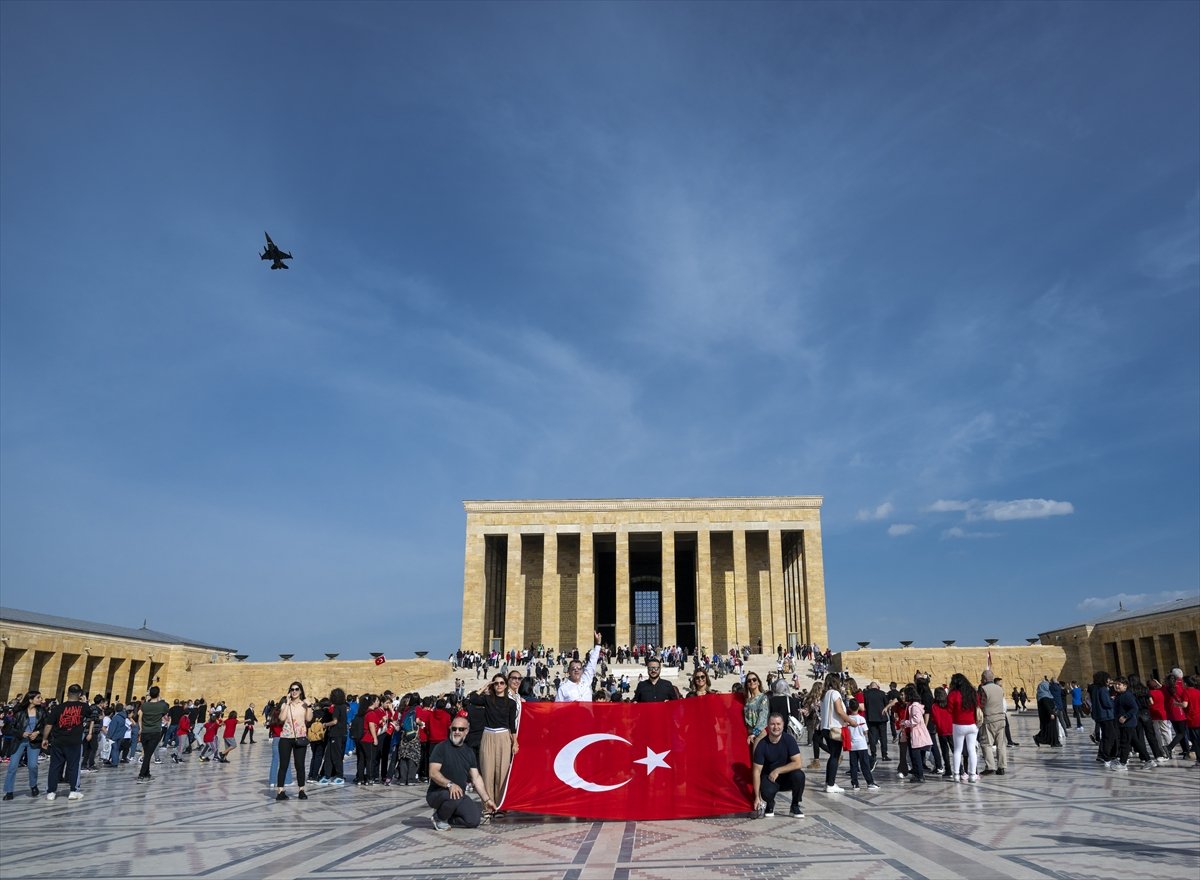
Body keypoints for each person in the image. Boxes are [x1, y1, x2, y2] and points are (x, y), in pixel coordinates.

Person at [427, 716, 497, 830]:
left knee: (474, 820)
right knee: (455, 795)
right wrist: (450, 784)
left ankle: (448, 816)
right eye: (454, 729)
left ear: (467, 731)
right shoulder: (441, 748)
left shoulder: (469, 752)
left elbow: (476, 778)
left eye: (461, 729)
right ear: (450, 729)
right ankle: (439, 817)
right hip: (438, 793)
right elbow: (433, 772)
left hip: (458, 794)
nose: (457, 732)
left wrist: (487, 800)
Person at [467, 674, 518, 816]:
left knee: (502, 772)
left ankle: (501, 806)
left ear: (506, 685)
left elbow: (512, 725)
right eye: (496, 683)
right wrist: (485, 686)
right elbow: (472, 698)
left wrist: (515, 742)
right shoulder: (488, 699)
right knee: (487, 771)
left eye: (502, 683)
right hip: (488, 735)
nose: (499, 685)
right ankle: (488, 806)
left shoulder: (511, 703)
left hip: (503, 736)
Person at [40, 683, 91, 801]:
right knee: (73, 766)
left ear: (67, 694)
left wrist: (45, 738)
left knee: (54, 766)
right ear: (79, 694)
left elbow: (49, 725)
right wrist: (85, 701)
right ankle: (73, 791)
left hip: (58, 741)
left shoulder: (58, 708)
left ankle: (51, 792)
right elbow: (93, 714)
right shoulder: (83, 707)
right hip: (74, 741)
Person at [752, 712, 806, 818]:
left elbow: (798, 763)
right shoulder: (762, 744)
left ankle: (795, 805)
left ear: (783, 724)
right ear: (768, 725)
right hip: (770, 779)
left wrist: (778, 770)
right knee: (766, 792)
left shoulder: (789, 740)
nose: (776, 727)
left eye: (778, 724)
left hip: (786, 777)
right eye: (772, 724)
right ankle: (770, 803)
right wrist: (757, 798)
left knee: (799, 775)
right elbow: (756, 771)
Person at [3, 691, 45, 800]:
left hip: (34, 741)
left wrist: (37, 733)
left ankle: (33, 785)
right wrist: (22, 733)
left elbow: (47, 726)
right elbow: (9, 728)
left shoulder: (42, 712)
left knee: (32, 765)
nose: (41, 699)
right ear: (31, 700)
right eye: (38, 697)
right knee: (12, 766)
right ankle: (9, 791)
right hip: (19, 741)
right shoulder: (20, 712)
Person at [275, 681, 313, 801]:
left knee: (300, 765)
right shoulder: (286, 704)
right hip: (286, 737)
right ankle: (280, 791)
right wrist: (286, 703)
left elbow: (309, 719)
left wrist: (309, 706)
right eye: (292, 689)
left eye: (297, 689)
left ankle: (301, 790)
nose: (294, 691)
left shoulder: (304, 704)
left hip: (300, 737)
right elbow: (281, 718)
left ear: (301, 691)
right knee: (283, 765)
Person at [819, 673, 850, 793]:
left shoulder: (824, 694)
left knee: (832, 755)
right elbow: (839, 710)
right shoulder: (835, 693)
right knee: (835, 756)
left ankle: (828, 782)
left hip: (826, 728)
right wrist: (850, 720)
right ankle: (831, 784)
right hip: (835, 729)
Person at [947, 673, 979, 782]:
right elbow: (978, 705)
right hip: (972, 724)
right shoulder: (972, 692)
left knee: (957, 750)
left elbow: (949, 710)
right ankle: (972, 774)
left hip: (959, 724)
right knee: (972, 750)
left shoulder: (953, 694)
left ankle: (956, 774)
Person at [555, 633, 603, 702]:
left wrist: (598, 644)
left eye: (579, 668)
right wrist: (570, 706)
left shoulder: (586, 680)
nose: (576, 670)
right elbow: (557, 708)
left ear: (582, 671)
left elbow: (592, 663)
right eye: (573, 669)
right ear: (569, 671)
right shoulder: (563, 688)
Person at [135, 686, 169, 783]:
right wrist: (160, 698)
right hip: (155, 732)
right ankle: (141, 775)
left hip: (145, 732)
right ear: (158, 694)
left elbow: (140, 716)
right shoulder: (161, 705)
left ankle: (147, 774)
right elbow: (165, 711)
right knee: (148, 755)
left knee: (147, 753)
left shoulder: (144, 705)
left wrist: (141, 728)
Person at [844, 699, 878, 791]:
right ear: (858, 707)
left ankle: (855, 784)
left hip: (852, 745)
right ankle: (870, 782)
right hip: (861, 745)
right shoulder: (861, 719)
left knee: (853, 766)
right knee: (865, 765)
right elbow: (865, 732)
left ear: (849, 708)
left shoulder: (847, 719)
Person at [979, 670, 1007, 776]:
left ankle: (990, 766)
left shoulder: (983, 689)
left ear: (985, 678)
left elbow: (981, 704)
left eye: (982, 678)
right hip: (1001, 719)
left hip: (989, 719)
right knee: (1001, 744)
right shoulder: (1000, 689)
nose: (981, 680)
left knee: (986, 743)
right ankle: (1002, 766)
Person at [902, 686, 932, 783]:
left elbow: (916, 720)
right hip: (914, 733)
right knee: (913, 754)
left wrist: (906, 722)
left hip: (917, 733)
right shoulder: (912, 705)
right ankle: (917, 773)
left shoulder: (914, 706)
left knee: (916, 755)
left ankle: (919, 775)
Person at [863, 681, 891, 762]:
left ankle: (873, 754)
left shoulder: (866, 694)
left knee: (872, 737)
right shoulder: (882, 693)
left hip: (871, 718)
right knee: (883, 737)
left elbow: (864, 707)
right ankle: (884, 755)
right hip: (882, 718)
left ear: (870, 687)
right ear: (877, 686)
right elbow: (887, 705)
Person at [742, 673, 769, 752]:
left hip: (759, 732)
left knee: (757, 759)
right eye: (749, 681)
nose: (752, 682)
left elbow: (763, 716)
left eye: (754, 679)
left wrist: (755, 733)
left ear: (758, 682)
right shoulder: (748, 700)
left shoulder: (763, 697)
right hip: (749, 733)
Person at [1032, 677, 1061, 748]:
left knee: (1051, 729)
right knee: (1050, 729)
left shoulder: (1047, 694)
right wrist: (1051, 713)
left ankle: (1053, 742)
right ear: (1044, 687)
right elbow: (1046, 706)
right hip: (1048, 715)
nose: (1048, 687)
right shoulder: (1043, 696)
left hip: (1051, 713)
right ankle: (1053, 742)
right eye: (1047, 686)